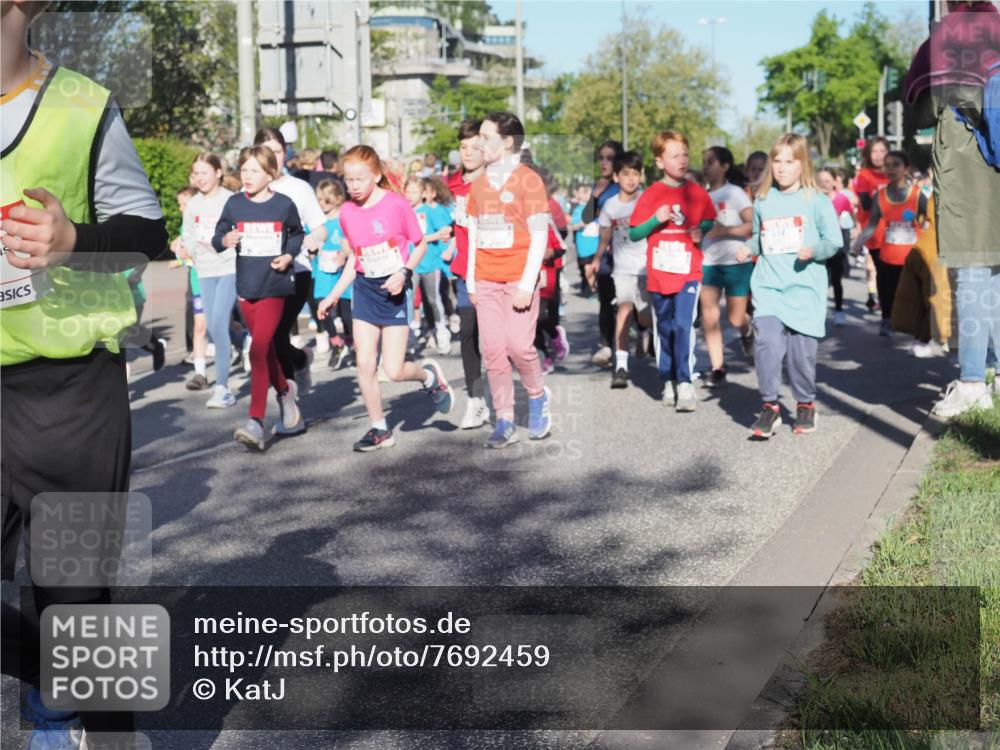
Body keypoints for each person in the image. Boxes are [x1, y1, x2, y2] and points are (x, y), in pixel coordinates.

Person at [1, 3, 167, 745]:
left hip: (67, 397)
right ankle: (53, 673)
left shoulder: (81, 107)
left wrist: (74, 240)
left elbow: (147, 238)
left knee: (80, 600)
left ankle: (104, 725)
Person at [318, 145, 454, 452]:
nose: (352, 186)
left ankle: (429, 377)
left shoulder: (395, 205)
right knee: (364, 364)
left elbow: (418, 245)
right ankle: (379, 429)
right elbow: (356, 260)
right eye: (348, 180)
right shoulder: (348, 213)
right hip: (365, 290)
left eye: (359, 180)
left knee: (393, 371)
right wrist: (333, 296)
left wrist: (404, 273)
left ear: (376, 175)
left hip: (395, 290)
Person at [905, 0, 1000, 418]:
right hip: (991, 166)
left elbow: (922, 107)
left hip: (969, 167)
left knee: (973, 274)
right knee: (992, 274)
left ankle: (973, 382)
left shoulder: (956, 33)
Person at [735, 134, 842, 438]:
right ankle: (770, 406)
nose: (781, 168)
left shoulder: (816, 200)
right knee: (767, 342)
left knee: (800, 356)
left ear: (802, 164)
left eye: (789, 161)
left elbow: (834, 241)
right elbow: (760, 236)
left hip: (804, 289)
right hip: (769, 286)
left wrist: (814, 251)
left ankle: (805, 403)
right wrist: (748, 247)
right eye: (777, 161)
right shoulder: (764, 199)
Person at [466, 111, 552, 447]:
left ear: (507, 143)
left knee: (519, 347)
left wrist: (527, 284)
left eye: (486, 138)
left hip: (518, 278)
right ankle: (503, 418)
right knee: (494, 352)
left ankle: (537, 396)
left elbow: (539, 235)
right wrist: (472, 283)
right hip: (486, 279)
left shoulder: (528, 180)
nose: (479, 144)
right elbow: (473, 234)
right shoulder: (479, 184)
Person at [213, 146, 305, 450]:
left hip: (275, 286)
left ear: (270, 174)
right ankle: (284, 392)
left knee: (258, 348)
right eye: (243, 169)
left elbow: (297, 233)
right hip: (246, 287)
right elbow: (218, 235)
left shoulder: (283, 205)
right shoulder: (235, 204)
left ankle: (255, 421)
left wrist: (289, 255)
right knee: (264, 351)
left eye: (253, 171)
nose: (246, 176)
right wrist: (225, 240)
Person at [629, 131, 716, 412]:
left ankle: (686, 381)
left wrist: (699, 231)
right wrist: (656, 219)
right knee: (664, 328)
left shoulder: (695, 191)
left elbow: (708, 220)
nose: (682, 160)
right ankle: (667, 377)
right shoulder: (651, 194)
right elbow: (634, 233)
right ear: (659, 161)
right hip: (660, 272)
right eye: (674, 155)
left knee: (683, 325)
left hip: (688, 270)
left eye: (685, 155)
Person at [253, 127, 328, 393]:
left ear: (286, 153)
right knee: (271, 338)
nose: (273, 158)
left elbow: (321, 226)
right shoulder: (249, 188)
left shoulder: (299, 188)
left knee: (276, 333)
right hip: (260, 275)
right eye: (267, 153)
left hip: (297, 270)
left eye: (278, 152)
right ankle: (300, 360)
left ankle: (289, 400)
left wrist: (314, 239)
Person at [182, 152, 240, 406]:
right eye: (196, 174)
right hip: (204, 270)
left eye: (204, 172)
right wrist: (195, 251)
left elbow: (240, 232)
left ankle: (223, 387)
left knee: (217, 323)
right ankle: (245, 342)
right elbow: (189, 236)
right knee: (217, 326)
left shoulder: (231, 201)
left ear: (218, 173)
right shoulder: (193, 204)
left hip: (228, 267)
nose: (199, 178)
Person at [851, 150, 928, 337]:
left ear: (906, 168)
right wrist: (858, 243)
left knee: (914, 294)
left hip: (912, 257)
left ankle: (917, 327)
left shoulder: (918, 196)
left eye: (896, 165)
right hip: (888, 255)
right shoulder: (880, 196)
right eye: (887, 165)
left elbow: (930, 222)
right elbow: (872, 224)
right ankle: (887, 320)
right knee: (886, 291)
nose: (891, 169)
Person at [589, 151, 648, 389]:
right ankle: (621, 366)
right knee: (623, 311)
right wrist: (597, 259)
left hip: (646, 267)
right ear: (616, 177)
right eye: (625, 174)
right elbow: (605, 235)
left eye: (635, 173)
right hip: (622, 268)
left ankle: (648, 334)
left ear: (641, 176)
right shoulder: (610, 206)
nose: (631, 179)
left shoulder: (646, 200)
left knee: (644, 316)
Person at [446, 118, 491, 429]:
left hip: (494, 268)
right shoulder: (450, 184)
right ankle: (475, 400)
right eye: (464, 147)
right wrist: (447, 236)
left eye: (476, 147)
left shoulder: (496, 182)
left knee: (495, 339)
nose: (469, 153)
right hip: (464, 270)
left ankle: (507, 392)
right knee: (468, 332)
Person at [699, 146, 755, 387]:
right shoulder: (701, 196)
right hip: (709, 261)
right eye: (704, 162)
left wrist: (725, 231)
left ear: (725, 166)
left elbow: (752, 225)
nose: (705, 166)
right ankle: (718, 367)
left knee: (734, 319)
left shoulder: (735, 194)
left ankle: (747, 331)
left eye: (710, 162)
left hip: (736, 261)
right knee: (709, 316)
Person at [585, 140, 625, 367]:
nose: (604, 162)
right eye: (601, 157)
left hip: (623, 250)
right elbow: (588, 217)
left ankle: (639, 333)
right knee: (605, 299)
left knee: (625, 299)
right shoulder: (596, 186)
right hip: (600, 249)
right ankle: (606, 346)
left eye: (609, 158)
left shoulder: (621, 187)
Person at [314, 179, 354, 369]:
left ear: (337, 199)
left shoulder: (344, 219)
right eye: (319, 200)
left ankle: (352, 343)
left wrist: (344, 255)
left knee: (346, 314)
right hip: (323, 270)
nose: (322, 204)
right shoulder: (317, 221)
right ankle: (335, 343)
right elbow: (310, 239)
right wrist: (311, 248)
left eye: (326, 201)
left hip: (342, 271)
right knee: (323, 308)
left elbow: (350, 242)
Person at [854, 137, 890, 313]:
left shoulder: (893, 172)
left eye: (882, 151)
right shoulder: (864, 175)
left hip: (895, 232)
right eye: (874, 151)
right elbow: (866, 204)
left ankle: (890, 309)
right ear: (868, 153)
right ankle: (885, 313)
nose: (878, 155)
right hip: (874, 233)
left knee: (895, 274)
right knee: (881, 274)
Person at [816, 167, 854, 327]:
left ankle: (839, 310)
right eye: (820, 181)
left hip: (836, 247)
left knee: (836, 280)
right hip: (816, 247)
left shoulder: (841, 199)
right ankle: (817, 312)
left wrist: (847, 244)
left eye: (827, 181)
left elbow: (850, 218)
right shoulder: (812, 199)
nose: (824, 184)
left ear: (834, 182)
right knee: (819, 281)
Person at [569, 182, 597, 296]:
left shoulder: (597, 207)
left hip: (596, 243)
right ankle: (593, 290)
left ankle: (595, 289)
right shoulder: (578, 210)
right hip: (584, 245)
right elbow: (572, 226)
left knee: (595, 269)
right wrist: (582, 223)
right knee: (587, 270)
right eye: (586, 192)